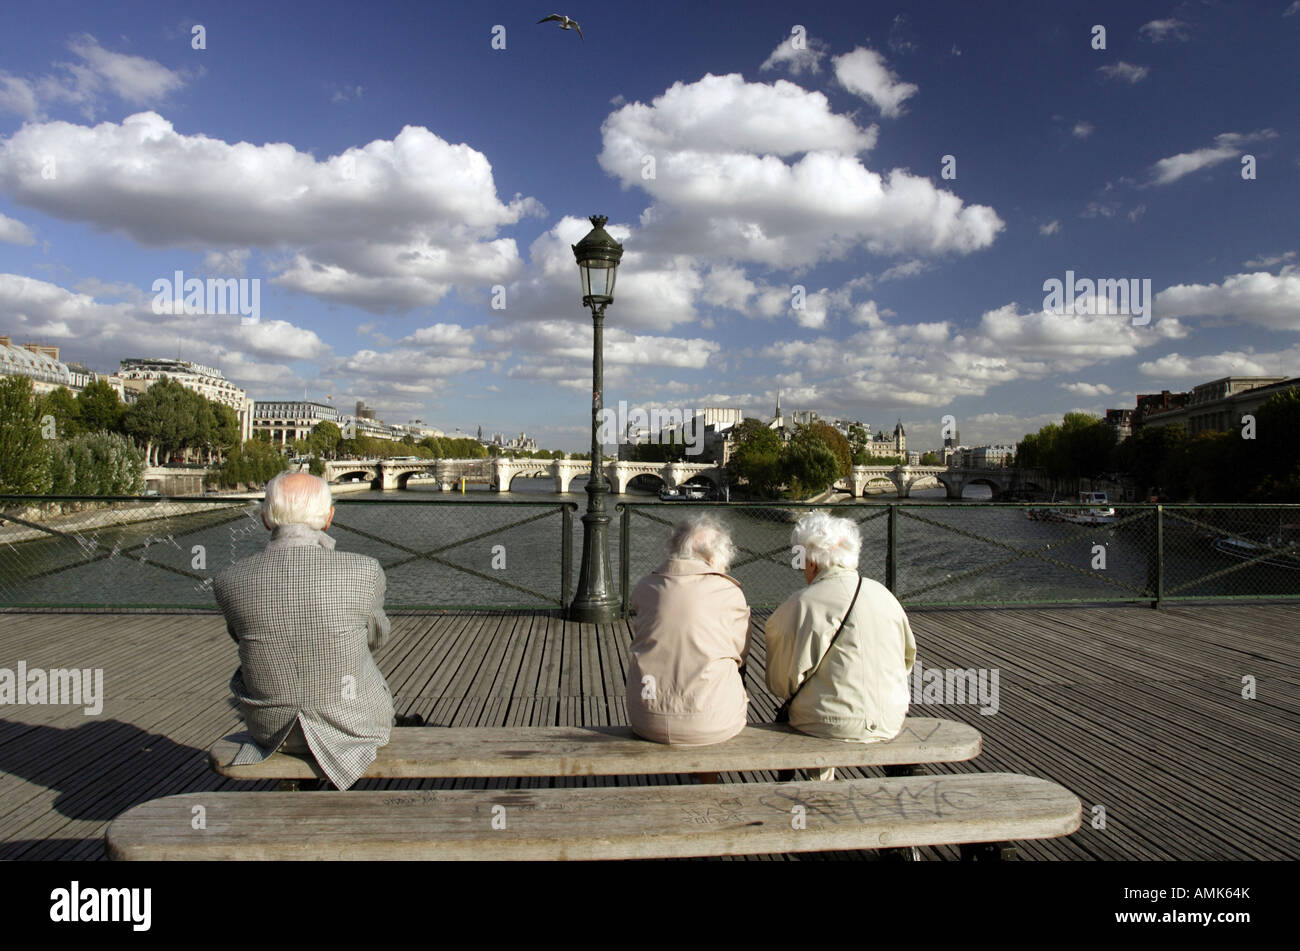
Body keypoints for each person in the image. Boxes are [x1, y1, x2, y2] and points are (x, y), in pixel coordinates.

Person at [214, 471, 415, 791]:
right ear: (329, 518)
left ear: (266, 518)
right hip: (354, 725)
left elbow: (240, 638)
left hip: (269, 730)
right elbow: (377, 638)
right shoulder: (363, 571)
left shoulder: (229, 580)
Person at [765, 511, 916, 775]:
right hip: (891, 717)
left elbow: (780, 682)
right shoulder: (886, 596)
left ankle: (809, 792)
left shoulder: (802, 604)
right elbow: (907, 659)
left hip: (830, 722)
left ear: (811, 562)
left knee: (806, 715)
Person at [625, 514, 751, 746]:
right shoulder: (729, 592)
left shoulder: (644, 587)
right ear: (713, 557)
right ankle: (708, 778)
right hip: (712, 721)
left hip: (645, 716)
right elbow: (740, 655)